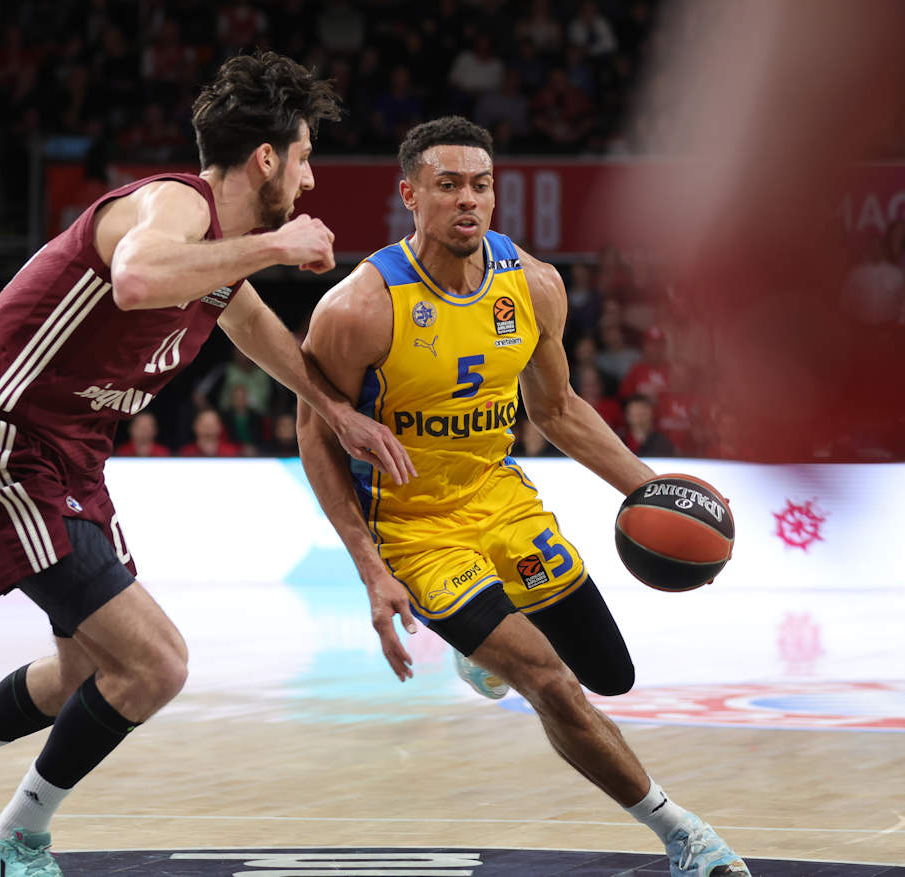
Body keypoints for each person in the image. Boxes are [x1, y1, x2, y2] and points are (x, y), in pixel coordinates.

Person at [0, 51, 414, 877]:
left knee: (88, 669)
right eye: (304, 158)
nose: (309, 180)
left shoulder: (218, 254)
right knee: (156, 663)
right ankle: (13, 839)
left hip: (71, 459)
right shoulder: (174, 204)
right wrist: (274, 244)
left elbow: (250, 323)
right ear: (266, 158)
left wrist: (336, 411)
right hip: (3, 445)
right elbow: (136, 277)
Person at [295, 117, 750, 877]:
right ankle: (685, 836)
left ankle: (481, 650)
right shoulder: (358, 308)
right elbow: (315, 436)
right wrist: (371, 568)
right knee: (553, 683)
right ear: (409, 195)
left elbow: (558, 409)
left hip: (502, 499)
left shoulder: (533, 285)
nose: (467, 200)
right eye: (447, 185)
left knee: (610, 674)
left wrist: (658, 492)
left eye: (480, 185)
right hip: (415, 528)